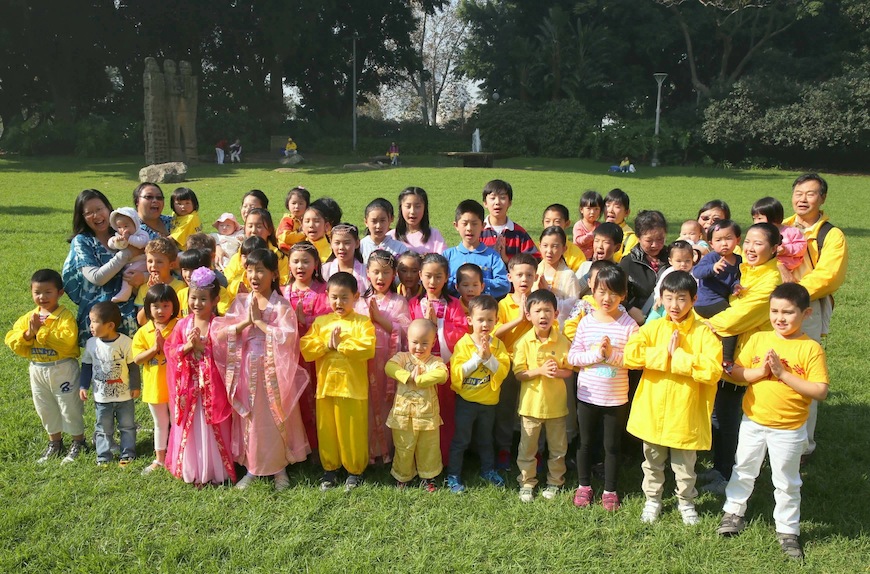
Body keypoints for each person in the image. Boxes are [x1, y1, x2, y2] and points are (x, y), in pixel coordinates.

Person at [717, 283, 829, 561]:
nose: (780, 318)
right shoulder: (759, 339)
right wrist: (760, 371)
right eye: (775, 311)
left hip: (789, 429)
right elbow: (737, 372)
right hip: (753, 421)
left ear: (806, 314)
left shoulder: (811, 348)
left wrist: (782, 374)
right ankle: (733, 512)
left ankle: (788, 530)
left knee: (787, 481)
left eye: (788, 312)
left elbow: (820, 391)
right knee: (744, 468)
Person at [624, 271, 723, 525]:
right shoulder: (653, 327)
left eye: (681, 299)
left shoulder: (703, 333)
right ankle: (652, 499)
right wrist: (664, 355)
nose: (674, 305)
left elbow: (713, 371)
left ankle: (686, 501)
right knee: (652, 461)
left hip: (685, 411)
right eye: (669, 298)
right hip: (653, 409)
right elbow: (631, 355)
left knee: (685, 465)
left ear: (694, 299)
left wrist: (679, 357)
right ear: (661, 298)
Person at [215, 249, 310, 490]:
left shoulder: (281, 305)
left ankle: (279, 468)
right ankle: (252, 467)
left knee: (273, 416)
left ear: (273, 274)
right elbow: (220, 335)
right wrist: (246, 322)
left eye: (260, 270)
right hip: (247, 369)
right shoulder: (242, 302)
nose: (254, 276)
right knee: (251, 418)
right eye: (249, 270)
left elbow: (288, 337)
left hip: (274, 372)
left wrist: (260, 323)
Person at [699, 223, 782, 494]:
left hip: (746, 356)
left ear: (774, 248)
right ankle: (720, 468)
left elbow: (738, 316)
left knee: (733, 419)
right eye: (748, 242)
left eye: (759, 243)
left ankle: (730, 477)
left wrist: (702, 325)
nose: (751, 248)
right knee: (721, 413)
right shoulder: (746, 268)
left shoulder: (770, 281)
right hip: (730, 352)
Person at [782, 173, 848, 460]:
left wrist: (794, 293)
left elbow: (829, 276)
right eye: (798, 193)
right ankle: (776, 433)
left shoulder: (831, 235)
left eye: (810, 194)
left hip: (806, 308)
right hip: (774, 308)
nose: (802, 199)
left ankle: (802, 445)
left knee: (803, 371)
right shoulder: (781, 227)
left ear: (822, 198)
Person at [568, 266, 638, 511]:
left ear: (623, 295)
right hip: (587, 395)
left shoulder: (629, 325)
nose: (607, 298)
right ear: (593, 291)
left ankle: (610, 490)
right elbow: (573, 357)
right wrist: (597, 355)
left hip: (615, 398)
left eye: (613, 293)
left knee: (612, 446)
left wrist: (611, 356)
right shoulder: (586, 322)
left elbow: (634, 360)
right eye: (601, 291)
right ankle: (584, 485)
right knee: (585, 442)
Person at [300, 272, 377, 491]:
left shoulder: (362, 323)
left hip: (352, 388)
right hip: (326, 387)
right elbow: (306, 348)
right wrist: (327, 345)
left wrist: (341, 345)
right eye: (334, 297)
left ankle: (355, 470)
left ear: (356, 297)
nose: (339, 302)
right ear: (327, 296)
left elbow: (367, 348)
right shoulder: (321, 323)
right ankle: (330, 469)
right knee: (327, 430)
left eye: (344, 297)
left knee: (352, 430)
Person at [165, 268, 236, 485]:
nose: (197, 303)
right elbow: (170, 351)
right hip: (188, 388)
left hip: (212, 389)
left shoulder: (218, 325)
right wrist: (187, 347)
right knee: (193, 427)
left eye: (203, 299)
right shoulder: (182, 325)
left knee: (211, 427)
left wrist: (205, 348)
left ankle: (214, 470)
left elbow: (228, 355)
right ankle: (193, 469)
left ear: (215, 300)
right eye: (193, 298)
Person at [5, 269, 85, 464]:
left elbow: (67, 342)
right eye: (37, 292)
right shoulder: (29, 318)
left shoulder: (64, 317)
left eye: (48, 292)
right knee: (45, 407)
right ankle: (55, 443)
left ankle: (78, 441)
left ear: (60, 292)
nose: (42, 297)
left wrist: (40, 332)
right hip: (38, 368)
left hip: (62, 368)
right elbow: (12, 340)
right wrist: (27, 334)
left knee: (69, 406)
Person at [445, 295, 510, 493]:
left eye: (490, 320)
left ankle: (488, 470)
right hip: (466, 401)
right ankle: (453, 474)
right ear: (470, 320)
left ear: (496, 320)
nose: (485, 324)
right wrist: (477, 358)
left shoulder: (497, 345)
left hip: (488, 403)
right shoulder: (463, 344)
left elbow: (502, 370)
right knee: (461, 440)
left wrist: (488, 357)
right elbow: (457, 372)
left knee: (486, 439)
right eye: (480, 319)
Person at [513, 290, 573, 502]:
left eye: (547, 310)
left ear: (556, 314)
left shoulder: (562, 341)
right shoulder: (523, 342)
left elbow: (569, 370)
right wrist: (539, 371)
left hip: (556, 406)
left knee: (558, 448)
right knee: (527, 447)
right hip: (530, 406)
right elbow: (519, 374)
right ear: (528, 315)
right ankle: (526, 482)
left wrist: (557, 372)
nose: (543, 315)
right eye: (537, 311)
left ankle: (555, 481)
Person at [408, 253, 469, 464]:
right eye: (428, 276)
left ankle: (444, 456)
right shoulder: (414, 304)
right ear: (420, 275)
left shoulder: (454, 305)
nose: (432, 282)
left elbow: (462, 333)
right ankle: (419, 458)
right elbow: (408, 333)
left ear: (446, 277)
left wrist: (438, 325)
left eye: (438, 276)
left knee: (444, 411)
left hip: (444, 368)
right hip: (419, 367)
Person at [62, 189, 142, 344]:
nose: (96, 215)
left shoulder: (125, 232)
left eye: (99, 209)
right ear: (82, 217)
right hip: (99, 319)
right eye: (89, 213)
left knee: (131, 357)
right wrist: (126, 254)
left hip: (130, 314)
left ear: (108, 208)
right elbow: (97, 278)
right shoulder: (82, 241)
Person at [359, 250, 411, 464]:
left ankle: (386, 450)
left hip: (389, 364)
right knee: (367, 405)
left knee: (386, 404)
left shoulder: (399, 302)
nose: (381, 277)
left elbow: (406, 333)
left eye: (386, 272)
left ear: (394, 274)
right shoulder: (360, 301)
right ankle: (366, 451)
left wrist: (380, 319)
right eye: (376, 272)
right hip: (364, 363)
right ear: (367, 273)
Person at [385, 319, 448, 491]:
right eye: (415, 342)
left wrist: (419, 379)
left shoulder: (434, 361)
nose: (419, 347)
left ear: (433, 342)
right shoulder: (402, 357)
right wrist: (407, 376)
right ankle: (403, 476)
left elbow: (442, 375)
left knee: (429, 447)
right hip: (403, 415)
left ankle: (428, 476)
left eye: (425, 343)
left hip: (427, 416)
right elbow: (389, 367)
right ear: (407, 340)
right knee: (403, 446)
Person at [79, 302, 141, 466]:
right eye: (90, 321)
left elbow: (133, 366)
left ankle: (127, 454)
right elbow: (86, 366)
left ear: (110, 325)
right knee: (103, 428)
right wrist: (83, 386)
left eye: (94, 322)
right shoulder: (91, 343)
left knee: (127, 426)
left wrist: (135, 386)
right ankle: (103, 456)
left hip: (124, 397)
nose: (91, 326)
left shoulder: (125, 343)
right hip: (102, 398)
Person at [283, 241, 330, 452]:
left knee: (315, 397)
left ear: (315, 264)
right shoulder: (283, 292)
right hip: (289, 354)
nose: (300, 266)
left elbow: (329, 321)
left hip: (315, 354)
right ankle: (296, 446)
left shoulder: (324, 291)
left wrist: (305, 322)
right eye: (295, 261)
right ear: (289, 265)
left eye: (305, 261)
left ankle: (318, 445)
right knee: (293, 399)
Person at [493, 253, 538, 470]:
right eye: (519, 275)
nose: (524, 279)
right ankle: (504, 449)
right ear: (509, 277)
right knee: (506, 408)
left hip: (533, 364)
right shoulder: (503, 304)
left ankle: (534, 450)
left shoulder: (539, 302)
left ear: (535, 277)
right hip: (509, 363)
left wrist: (533, 316)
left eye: (529, 275)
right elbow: (494, 333)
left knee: (532, 409)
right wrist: (519, 319)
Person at [132, 284, 180, 475]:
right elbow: (137, 359)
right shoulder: (144, 332)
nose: (161, 311)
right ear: (148, 308)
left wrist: (166, 346)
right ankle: (159, 459)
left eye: (166, 306)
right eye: (156, 306)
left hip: (177, 386)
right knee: (160, 423)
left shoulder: (180, 326)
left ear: (174, 306)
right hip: (155, 387)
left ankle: (178, 456)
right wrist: (154, 349)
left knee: (177, 422)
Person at [692, 220, 742, 365]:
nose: (724, 244)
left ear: (737, 240)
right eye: (718, 240)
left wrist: (735, 286)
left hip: (720, 300)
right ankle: (727, 359)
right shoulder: (712, 257)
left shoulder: (739, 260)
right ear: (711, 243)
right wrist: (712, 268)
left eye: (728, 238)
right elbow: (697, 272)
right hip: (706, 301)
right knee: (731, 322)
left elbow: (734, 279)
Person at [443, 199, 510, 299]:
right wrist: (459, 280)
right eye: (464, 223)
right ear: (456, 225)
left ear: (483, 226)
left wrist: (478, 281)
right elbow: (441, 283)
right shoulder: (448, 256)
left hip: (483, 307)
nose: (469, 228)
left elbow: (504, 285)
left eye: (474, 224)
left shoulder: (492, 256)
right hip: (455, 307)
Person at [620, 210, 668, 325]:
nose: (655, 245)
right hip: (639, 322)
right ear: (638, 237)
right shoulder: (628, 263)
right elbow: (616, 294)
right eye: (649, 240)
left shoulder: (673, 258)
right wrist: (629, 308)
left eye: (660, 239)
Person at [479, 179, 539, 264]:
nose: (497, 202)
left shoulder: (519, 233)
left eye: (502, 198)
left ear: (509, 203)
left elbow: (535, 260)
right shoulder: (479, 231)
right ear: (485, 203)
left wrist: (508, 260)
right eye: (492, 198)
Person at [750, 196, 807, 282]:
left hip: (789, 267)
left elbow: (801, 247)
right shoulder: (757, 234)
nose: (756, 222)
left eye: (759, 218)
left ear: (773, 217)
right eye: (754, 218)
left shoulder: (791, 232)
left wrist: (786, 250)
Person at [134, 237, 185, 326]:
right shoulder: (144, 288)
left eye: (159, 262)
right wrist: (151, 293)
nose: (153, 265)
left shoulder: (180, 287)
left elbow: (179, 316)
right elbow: (141, 321)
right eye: (150, 261)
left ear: (171, 265)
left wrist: (160, 290)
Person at [537, 226, 581, 327]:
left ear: (564, 249)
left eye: (555, 246)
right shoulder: (535, 270)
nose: (549, 251)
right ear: (540, 246)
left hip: (559, 327)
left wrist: (547, 293)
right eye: (545, 246)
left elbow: (573, 308)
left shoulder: (568, 275)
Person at [106, 207, 150, 303]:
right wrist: (114, 241)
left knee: (129, 273)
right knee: (128, 273)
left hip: (142, 262)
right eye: (119, 227)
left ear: (135, 224)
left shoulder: (142, 234)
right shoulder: (119, 236)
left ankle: (125, 293)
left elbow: (141, 243)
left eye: (126, 226)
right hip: (130, 263)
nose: (123, 230)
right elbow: (111, 244)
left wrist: (129, 238)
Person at [647, 240, 696, 322]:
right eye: (679, 261)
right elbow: (659, 286)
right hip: (665, 302)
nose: (683, 264)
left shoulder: (694, 273)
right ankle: (647, 327)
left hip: (684, 305)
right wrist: (658, 297)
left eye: (687, 260)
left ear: (692, 259)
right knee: (655, 314)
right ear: (670, 261)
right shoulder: (668, 272)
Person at [388, 187, 447, 255]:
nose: (412, 211)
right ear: (401, 208)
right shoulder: (391, 236)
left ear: (424, 208)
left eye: (417, 206)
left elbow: (442, 259)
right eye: (408, 206)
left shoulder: (434, 235)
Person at [322, 223, 368, 294]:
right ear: (331, 244)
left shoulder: (366, 271)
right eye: (337, 243)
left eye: (347, 243)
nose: (341, 247)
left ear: (357, 243)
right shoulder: (324, 270)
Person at [360, 198, 409, 263]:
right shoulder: (360, 247)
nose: (378, 226)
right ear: (366, 222)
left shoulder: (399, 248)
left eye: (382, 220)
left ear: (391, 219)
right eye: (374, 221)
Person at [541, 203, 586, 272]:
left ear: (567, 224)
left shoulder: (576, 254)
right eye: (547, 221)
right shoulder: (535, 248)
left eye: (557, 221)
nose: (551, 225)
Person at [303, 198, 341, 263]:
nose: (311, 225)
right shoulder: (295, 247)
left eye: (316, 221)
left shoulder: (334, 252)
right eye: (307, 221)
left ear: (327, 225)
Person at [604, 189, 636, 263]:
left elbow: (626, 265)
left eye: (617, 207)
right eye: (607, 205)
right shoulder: (598, 231)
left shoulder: (630, 237)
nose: (610, 210)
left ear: (627, 212)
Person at [572, 191, 605, 261]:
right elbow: (578, 241)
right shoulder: (578, 225)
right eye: (589, 209)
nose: (592, 212)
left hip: (594, 259)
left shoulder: (599, 226)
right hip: (579, 258)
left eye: (596, 209)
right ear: (581, 210)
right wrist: (592, 235)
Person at [277, 186, 310, 251]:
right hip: (286, 251)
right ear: (288, 204)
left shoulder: (307, 220)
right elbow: (286, 237)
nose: (297, 206)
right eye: (293, 203)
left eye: (301, 203)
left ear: (306, 205)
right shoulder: (287, 220)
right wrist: (303, 233)